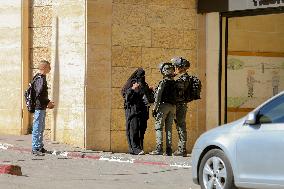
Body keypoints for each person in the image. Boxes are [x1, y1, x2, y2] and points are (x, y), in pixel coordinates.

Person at [121, 68, 153, 155]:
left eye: (143, 75)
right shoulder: (132, 83)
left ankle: (139, 147)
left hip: (142, 111)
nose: (142, 77)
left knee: (142, 130)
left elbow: (147, 97)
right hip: (133, 111)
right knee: (133, 129)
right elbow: (126, 96)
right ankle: (134, 148)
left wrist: (149, 90)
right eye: (141, 75)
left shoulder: (144, 84)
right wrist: (132, 89)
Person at [149, 62, 176, 156]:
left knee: (159, 127)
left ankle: (159, 149)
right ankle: (169, 150)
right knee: (169, 128)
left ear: (163, 71)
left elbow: (158, 96)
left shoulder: (163, 82)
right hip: (173, 107)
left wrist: (154, 108)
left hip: (163, 106)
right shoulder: (175, 82)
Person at [32, 60, 55, 156]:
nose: (50, 69)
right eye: (49, 67)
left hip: (41, 106)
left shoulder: (41, 78)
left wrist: (47, 102)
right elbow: (39, 94)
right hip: (39, 107)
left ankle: (40, 146)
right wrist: (48, 102)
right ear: (45, 68)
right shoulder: (40, 78)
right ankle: (35, 148)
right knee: (37, 127)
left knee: (41, 127)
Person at [171, 57, 191, 157]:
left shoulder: (183, 78)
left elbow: (178, 91)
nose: (175, 68)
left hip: (180, 105)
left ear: (180, 67)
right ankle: (181, 148)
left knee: (181, 126)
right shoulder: (182, 77)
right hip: (180, 105)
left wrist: (171, 79)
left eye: (176, 67)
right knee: (180, 126)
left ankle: (182, 148)